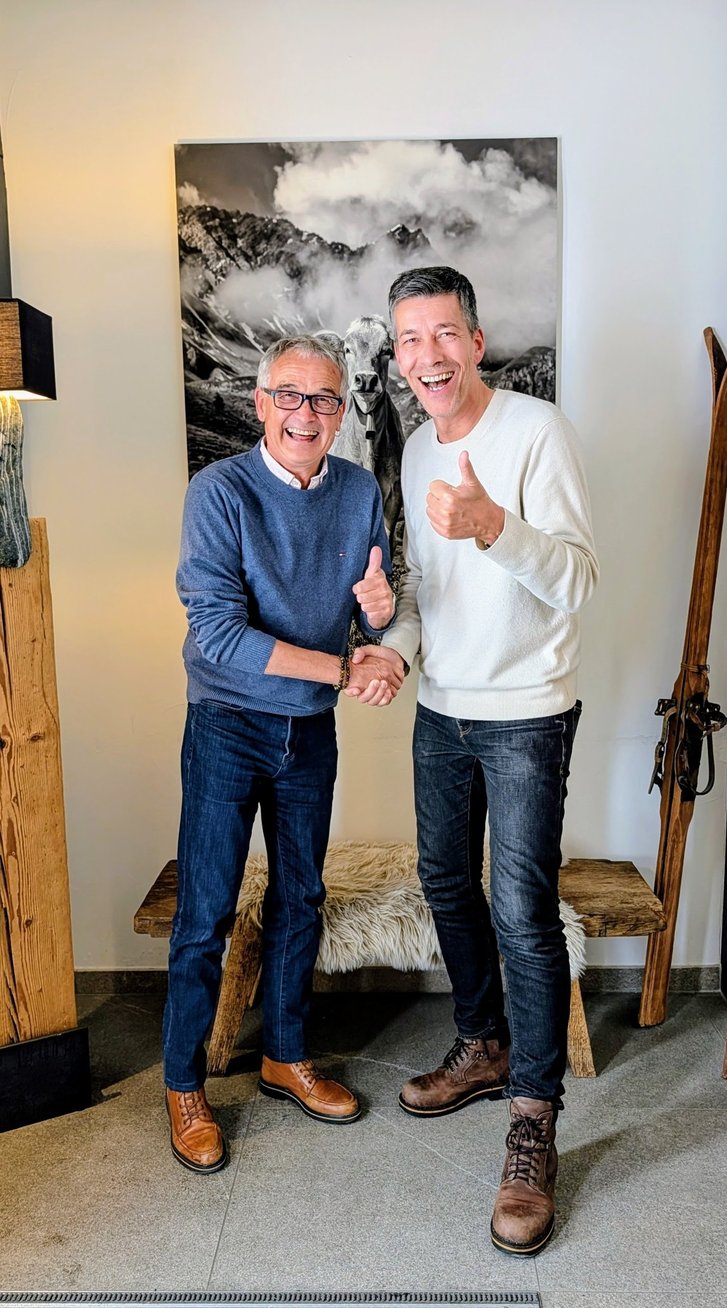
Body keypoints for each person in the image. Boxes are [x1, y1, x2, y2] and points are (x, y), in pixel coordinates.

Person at [351, 266, 598, 1254]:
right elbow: (421, 586)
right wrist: (393, 649)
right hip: (441, 711)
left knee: (522, 912)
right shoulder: (415, 448)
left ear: (477, 341)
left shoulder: (538, 432)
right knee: (446, 881)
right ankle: (484, 1043)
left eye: (444, 333)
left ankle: (533, 1121)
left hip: (528, 713)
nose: (428, 356)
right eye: (410, 339)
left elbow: (579, 580)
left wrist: (495, 525)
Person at [163, 334, 403, 1174]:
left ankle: (285, 1055)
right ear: (261, 403)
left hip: (309, 730)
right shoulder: (218, 492)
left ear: (341, 411)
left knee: (302, 895)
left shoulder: (358, 490)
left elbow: (374, 613)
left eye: (325, 399)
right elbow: (218, 635)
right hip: (227, 723)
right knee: (207, 911)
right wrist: (343, 667)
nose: (308, 414)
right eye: (291, 396)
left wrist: (382, 616)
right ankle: (184, 1085)